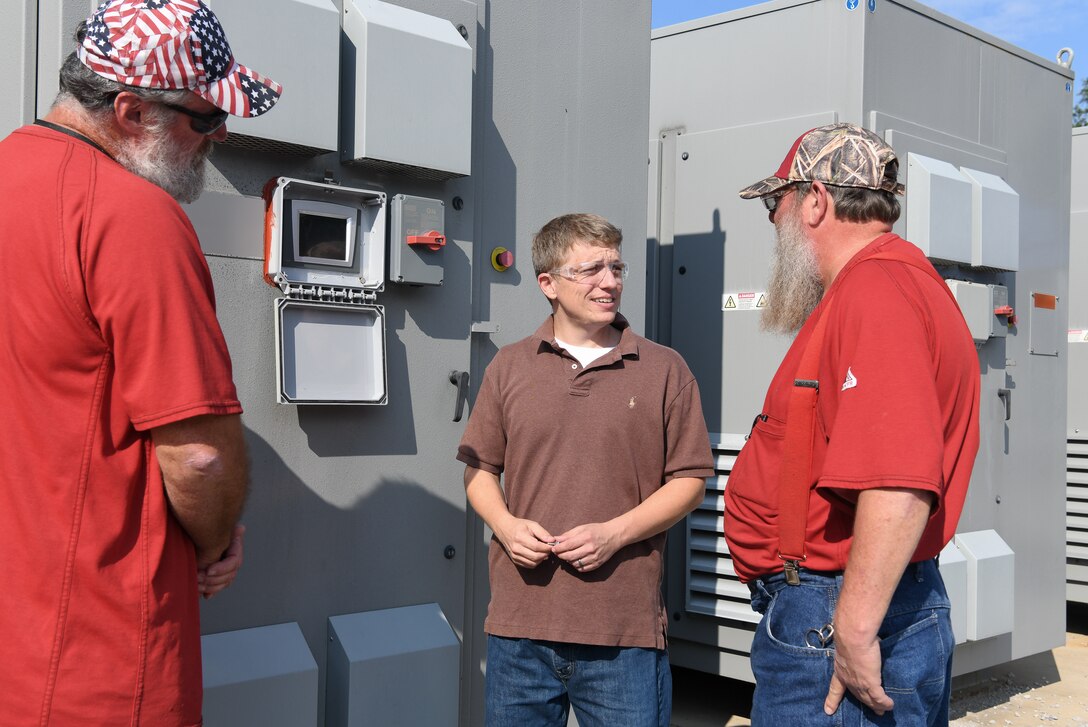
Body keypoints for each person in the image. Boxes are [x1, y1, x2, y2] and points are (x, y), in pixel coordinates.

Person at [0, 1, 281, 724]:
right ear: (129, 109)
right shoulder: (133, 216)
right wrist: (217, 542)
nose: (219, 137)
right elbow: (199, 459)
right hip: (98, 655)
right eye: (202, 118)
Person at [724, 123, 980, 725]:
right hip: (847, 603)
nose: (773, 221)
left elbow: (897, 477)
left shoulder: (874, 288)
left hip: (836, 613)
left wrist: (856, 629)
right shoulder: (892, 280)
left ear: (815, 200)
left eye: (775, 203)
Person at [457, 213, 714, 726]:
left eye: (616, 267)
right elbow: (480, 471)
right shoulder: (509, 366)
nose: (610, 282)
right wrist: (505, 527)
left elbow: (688, 483)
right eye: (591, 269)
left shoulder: (665, 369)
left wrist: (613, 535)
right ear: (548, 284)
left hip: (622, 633)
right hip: (519, 629)